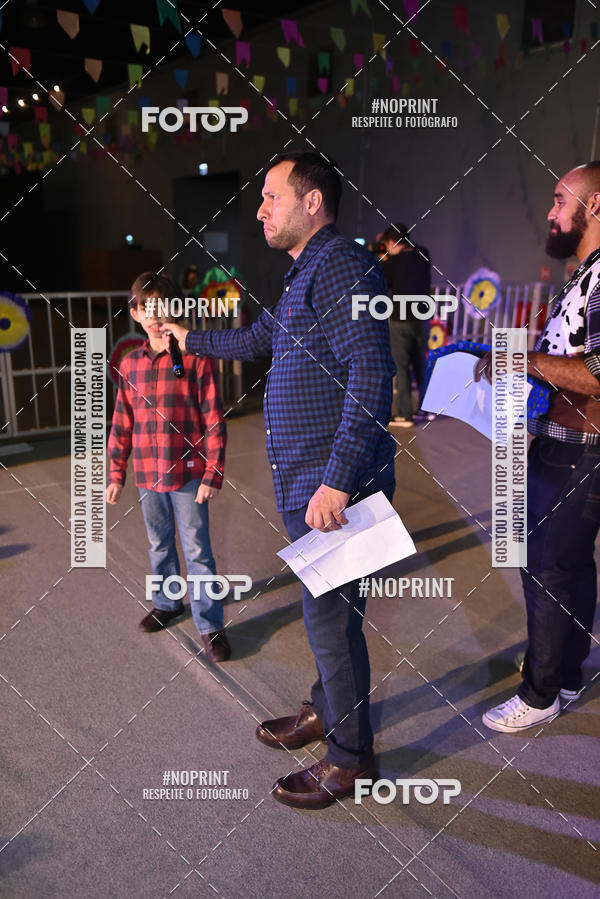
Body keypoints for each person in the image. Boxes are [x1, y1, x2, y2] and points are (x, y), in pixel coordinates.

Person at [162, 151, 397, 808]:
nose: (260, 208)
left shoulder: (343, 264)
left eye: (271, 196)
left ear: (312, 200)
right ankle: (328, 707)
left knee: (331, 624)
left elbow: (372, 378)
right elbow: (259, 338)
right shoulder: (305, 275)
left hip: (334, 493)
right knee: (327, 616)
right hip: (311, 486)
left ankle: (351, 760)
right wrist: (191, 336)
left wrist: (339, 483)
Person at [476, 162, 600, 732]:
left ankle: (540, 690)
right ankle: (566, 672)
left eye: (559, 200)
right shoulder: (583, 273)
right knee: (567, 565)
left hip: (581, 449)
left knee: (547, 565)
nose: (550, 212)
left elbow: (597, 371)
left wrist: (521, 359)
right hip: (560, 441)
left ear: (593, 206)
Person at [106, 272, 231, 663]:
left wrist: (212, 473)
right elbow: (121, 421)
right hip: (147, 474)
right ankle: (168, 602)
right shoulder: (130, 365)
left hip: (189, 475)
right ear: (136, 313)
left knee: (197, 550)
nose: (155, 316)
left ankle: (210, 625)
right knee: (159, 544)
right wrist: (115, 473)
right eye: (147, 308)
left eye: (163, 307)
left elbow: (213, 418)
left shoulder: (194, 360)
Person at [380, 223, 433, 428]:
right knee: (421, 364)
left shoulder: (392, 262)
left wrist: (385, 258)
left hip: (400, 320)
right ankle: (426, 409)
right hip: (422, 318)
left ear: (392, 243)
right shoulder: (424, 254)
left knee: (401, 367)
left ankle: (403, 415)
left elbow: (384, 281)